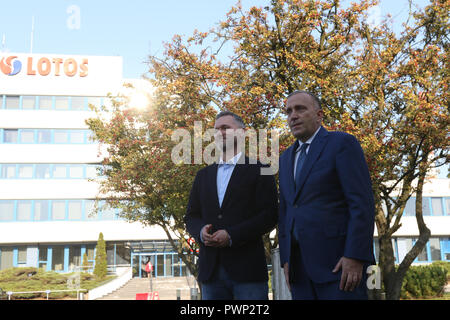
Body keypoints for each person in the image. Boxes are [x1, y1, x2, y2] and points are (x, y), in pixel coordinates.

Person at [278, 90, 375, 300]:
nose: (292, 116)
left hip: (339, 268)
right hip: (299, 272)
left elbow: (361, 204)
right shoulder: (285, 158)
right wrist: (286, 261)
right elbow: (286, 211)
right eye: (288, 111)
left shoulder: (341, 144)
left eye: (300, 109)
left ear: (319, 115)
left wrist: (355, 255)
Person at [184, 111, 278, 300]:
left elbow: (270, 215)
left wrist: (232, 235)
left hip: (248, 271)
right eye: (216, 129)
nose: (220, 132)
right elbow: (191, 216)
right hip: (210, 271)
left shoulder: (262, 170)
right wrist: (201, 232)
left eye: (226, 128)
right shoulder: (203, 176)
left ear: (242, 133)